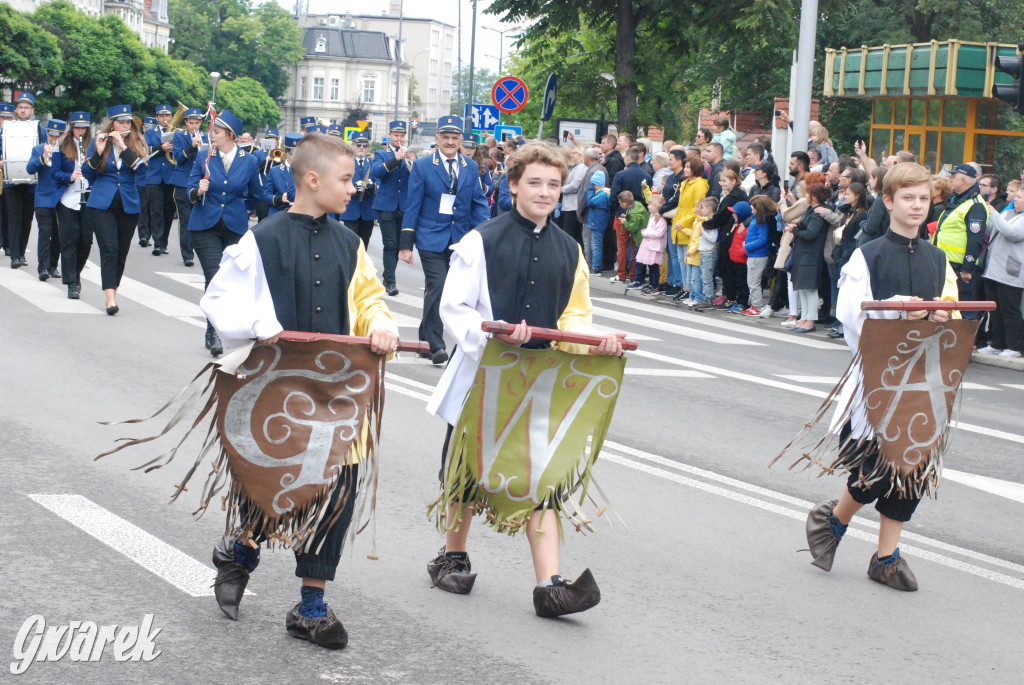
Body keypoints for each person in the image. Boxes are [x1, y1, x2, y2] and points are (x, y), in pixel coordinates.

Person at [200, 132, 399, 650]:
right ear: (313, 180)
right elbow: (220, 300)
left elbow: (370, 299)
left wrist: (380, 325)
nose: (354, 189)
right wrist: (260, 324)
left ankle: (311, 606)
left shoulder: (351, 244)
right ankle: (240, 552)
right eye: (346, 179)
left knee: (338, 487)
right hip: (275, 388)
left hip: (336, 393)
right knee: (269, 477)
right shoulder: (259, 240)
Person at [423, 141, 624, 617]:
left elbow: (573, 316)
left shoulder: (569, 249)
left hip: (541, 379)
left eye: (553, 185)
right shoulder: (481, 241)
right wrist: (491, 339)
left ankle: (549, 585)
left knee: (543, 474)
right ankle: (452, 555)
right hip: (484, 375)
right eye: (534, 182)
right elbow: (454, 307)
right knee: (467, 470)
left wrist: (597, 340)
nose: (545, 192)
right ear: (513, 185)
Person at [802, 162, 958, 592]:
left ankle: (886, 557)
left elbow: (952, 314)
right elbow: (852, 316)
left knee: (912, 472)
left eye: (923, 198)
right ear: (888, 201)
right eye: (907, 198)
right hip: (877, 379)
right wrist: (901, 306)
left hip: (923, 381)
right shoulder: (866, 255)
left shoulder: (939, 258)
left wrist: (941, 316)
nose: (916, 205)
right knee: (874, 471)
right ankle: (834, 520)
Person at [399, 115, 490, 365]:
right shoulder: (423, 166)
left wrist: (487, 237)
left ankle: (423, 340)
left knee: (447, 291)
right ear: (437, 139)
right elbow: (413, 204)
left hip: (459, 239)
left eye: (455, 138)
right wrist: (406, 244)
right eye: (445, 137)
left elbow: (479, 204)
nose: (450, 142)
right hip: (430, 236)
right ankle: (435, 344)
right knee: (438, 286)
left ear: (461, 140)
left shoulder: (470, 167)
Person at [187, 110, 263, 357]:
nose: (212, 135)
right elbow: (189, 191)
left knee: (230, 280)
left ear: (230, 135)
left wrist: (246, 210)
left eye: (216, 132)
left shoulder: (249, 160)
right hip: (205, 225)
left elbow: (255, 195)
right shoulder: (203, 157)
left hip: (234, 226)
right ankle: (214, 331)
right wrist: (198, 190)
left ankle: (219, 328)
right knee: (214, 275)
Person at [82, 105, 148, 316]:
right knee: (109, 249)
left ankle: (114, 290)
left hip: (128, 205)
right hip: (102, 204)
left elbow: (143, 173)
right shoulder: (98, 141)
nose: (125, 126)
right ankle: (110, 299)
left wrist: (124, 148)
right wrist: (99, 154)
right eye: (121, 122)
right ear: (112, 125)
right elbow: (87, 175)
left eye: (128, 122)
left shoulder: (137, 143)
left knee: (121, 253)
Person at [931, 164, 989, 313]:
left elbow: (976, 239)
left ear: (963, 180)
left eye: (954, 177)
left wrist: (967, 269)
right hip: (946, 262)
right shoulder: (959, 200)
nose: (950, 179)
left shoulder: (975, 205)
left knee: (962, 310)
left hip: (959, 267)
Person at [976, 184, 1024, 357]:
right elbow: (992, 229)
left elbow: (1013, 233)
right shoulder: (1008, 213)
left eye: (1019, 197)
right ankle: (997, 343)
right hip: (993, 269)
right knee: (994, 309)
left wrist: (994, 214)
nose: (1014, 199)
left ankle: (1013, 346)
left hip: (1011, 271)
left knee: (1009, 310)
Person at [50, 112, 92, 298]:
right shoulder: (61, 147)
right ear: (72, 128)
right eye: (77, 127)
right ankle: (72, 282)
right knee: (69, 240)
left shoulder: (93, 147)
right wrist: (70, 177)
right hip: (67, 199)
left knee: (85, 241)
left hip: (88, 199)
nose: (80, 131)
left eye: (83, 128)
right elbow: (55, 173)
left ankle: (75, 273)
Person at [4, 92, 46, 268]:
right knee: (14, 216)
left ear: (32, 110)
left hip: (32, 182)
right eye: (20, 107)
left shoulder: (39, 129)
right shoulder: (6, 128)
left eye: (26, 107)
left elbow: (46, 149)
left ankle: (21, 252)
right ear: (16, 110)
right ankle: (14, 255)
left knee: (27, 218)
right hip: (11, 180)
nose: (23, 110)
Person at [25, 119, 68, 281]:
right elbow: (30, 169)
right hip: (43, 197)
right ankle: (42, 267)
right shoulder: (38, 149)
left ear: (63, 135)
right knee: (45, 232)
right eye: (51, 135)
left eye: (57, 136)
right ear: (47, 133)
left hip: (61, 197)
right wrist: (43, 157)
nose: (53, 139)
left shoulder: (66, 151)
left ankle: (52, 266)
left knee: (58, 234)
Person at [785, 184, 831, 333]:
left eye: (808, 194)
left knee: (809, 288)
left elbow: (811, 234)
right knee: (803, 287)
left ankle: (810, 320)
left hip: (811, 255)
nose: (806, 197)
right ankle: (804, 318)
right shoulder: (813, 211)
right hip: (805, 253)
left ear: (815, 197)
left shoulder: (818, 213)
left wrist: (795, 230)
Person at [371, 120, 410, 296]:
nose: (399, 139)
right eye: (396, 136)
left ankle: (388, 278)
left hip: (403, 205)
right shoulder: (381, 153)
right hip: (386, 205)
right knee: (390, 244)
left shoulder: (410, 155)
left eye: (402, 136)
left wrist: (412, 162)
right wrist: (396, 159)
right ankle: (391, 282)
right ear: (390, 136)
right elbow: (377, 172)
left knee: (398, 244)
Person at [705, 169, 748, 309]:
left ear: (733, 181)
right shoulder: (736, 194)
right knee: (729, 268)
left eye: (724, 181)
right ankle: (728, 295)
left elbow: (721, 216)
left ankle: (731, 296)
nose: (721, 183)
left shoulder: (732, 198)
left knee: (728, 267)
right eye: (720, 180)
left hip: (729, 235)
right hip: (730, 233)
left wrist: (706, 224)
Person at [170, 108, 207, 267]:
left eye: (197, 123)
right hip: (182, 182)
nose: (194, 126)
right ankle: (187, 255)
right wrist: (192, 146)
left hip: (200, 184)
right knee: (185, 220)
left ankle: (200, 250)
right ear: (185, 123)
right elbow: (179, 158)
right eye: (191, 123)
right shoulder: (179, 136)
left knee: (199, 219)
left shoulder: (206, 136)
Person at [670, 157, 709, 301]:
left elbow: (697, 207)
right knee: (681, 259)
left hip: (689, 223)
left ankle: (691, 289)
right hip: (680, 221)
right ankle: (685, 287)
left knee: (688, 259)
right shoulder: (684, 183)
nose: (685, 169)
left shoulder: (700, 185)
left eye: (688, 167)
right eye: (685, 166)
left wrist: (684, 221)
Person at [144, 104, 176, 256]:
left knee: (169, 211)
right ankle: (157, 243)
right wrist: (161, 148)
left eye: (167, 116)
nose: (165, 119)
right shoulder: (150, 132)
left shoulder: (177, 132)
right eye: (162, 116)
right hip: (154, 176)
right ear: (157, 118)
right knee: (156, 211)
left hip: (171, 176)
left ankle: (164, 242)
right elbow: (146, 151)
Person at [339, 134, 377, 247]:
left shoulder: (373, 164)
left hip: (367, 210)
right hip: (351, 208)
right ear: (353, 147)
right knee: (350, 244)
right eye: (358, 145)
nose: (361, 148)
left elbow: (379, 181)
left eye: (365, 146)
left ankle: (361, 265)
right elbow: (340, 181)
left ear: (368, 148)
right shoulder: (345, 163)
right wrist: (354, 187)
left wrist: (373, 186)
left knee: (364, 244)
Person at [742, 195, 777, 316]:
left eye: (753, 206)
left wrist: (747, 246)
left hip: (757, 255)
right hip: (754, 254)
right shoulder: (757, 219)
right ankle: (754, 304)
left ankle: (756, 306)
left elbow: (762, 240)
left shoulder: (762, 222)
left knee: (753, 282)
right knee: (752, 281)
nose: (751, 207)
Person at [633, 194, 667, 294]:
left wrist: (646, 233)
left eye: (650, 205)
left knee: (654, 266)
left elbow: (659, 233)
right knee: (651, 266)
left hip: (655, 246)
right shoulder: (652, 217)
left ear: (657, 206)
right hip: (650, 245)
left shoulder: (661, 220)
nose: (648, 206)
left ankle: (654, 286)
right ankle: (651, 284)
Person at [691, 197, 720, 311]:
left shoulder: (711, 224)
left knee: (707, 278)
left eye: (702, 208)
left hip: (709, 253)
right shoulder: (707, 222)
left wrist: (702, 231)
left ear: (709, 209)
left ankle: (708, 299)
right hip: (704, 252)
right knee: (704, 277)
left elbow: (713, 239)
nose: (700, 210)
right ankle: (705, 298)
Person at [262, 133, 299, 217]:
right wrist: (279, 199)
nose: (295, 156)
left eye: (298, 152)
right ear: (285, 152)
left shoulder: (307, 171)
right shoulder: (275, 170)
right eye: (291, 153)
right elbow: (267, 194)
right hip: (279, 213)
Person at [585, 170, 612, 275]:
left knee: (596, 245)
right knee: (596, 244)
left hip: (597, 222)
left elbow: (590, 202)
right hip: (599, 221)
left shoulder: (602, 195)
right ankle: (596, 267)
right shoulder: (605, 193)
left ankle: (596, 268)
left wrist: (590, 189)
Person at [618, 191, 647, 286]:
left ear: (625, 203)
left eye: (620, 202)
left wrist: (625, 222)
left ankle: (638, 280)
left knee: (637, 259)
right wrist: (627, 217)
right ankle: (639, 279)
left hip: (640, 238)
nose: (619, 204)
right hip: (644, 236)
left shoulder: (634, 213)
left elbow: (633, 228)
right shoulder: (637, 205)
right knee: (639, 258)